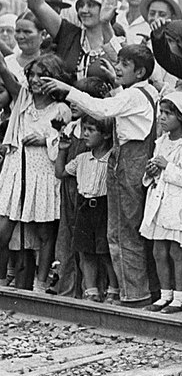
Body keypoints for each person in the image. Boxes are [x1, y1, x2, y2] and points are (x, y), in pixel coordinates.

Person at [41, 45, 161, 308]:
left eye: (124, 64)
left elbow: (103, 109)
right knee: (128, 229)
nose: (118, 67)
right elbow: (121, 105)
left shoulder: (136, 95)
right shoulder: (145, 92)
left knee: (122, 231)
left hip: (130, 161)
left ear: (139, 71)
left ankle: (134, 294)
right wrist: (115, 85)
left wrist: (69, 90)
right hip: (133, 158)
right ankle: (140, 290)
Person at [0, 54, 72, 291]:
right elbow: (4, 71)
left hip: (42, 174)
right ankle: (2, 280)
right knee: (3, 231)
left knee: (44, 233)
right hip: (15, 171)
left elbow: (63, 139)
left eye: (42, 75)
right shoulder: (23, 99)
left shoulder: (61, 108)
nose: (35, 79)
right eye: (31, 75)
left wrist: (45, 139)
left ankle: (40, 284)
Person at [140, 92, 182, 314]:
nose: (162, 117)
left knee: (176, 252)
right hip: (159, 204)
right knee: (159, 251)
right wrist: (152, 172)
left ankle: (180, 296)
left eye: (168, 114)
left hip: (178, 206)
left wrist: (166, 167)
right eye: (161, 113)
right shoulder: (161, 142)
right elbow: (157, 172)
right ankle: (165, 294)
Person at [55, 113, 116, 303]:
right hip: (84, 207)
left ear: (105, 135)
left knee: (105, 252)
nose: (85, 134)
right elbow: (60, 172)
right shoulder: (82, 159)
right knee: (85, 251)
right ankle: (91, 290)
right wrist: (62, 150)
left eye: (91, 130)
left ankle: (113, 288)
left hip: (104, 207)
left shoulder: (112, 158)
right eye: (84, 130)